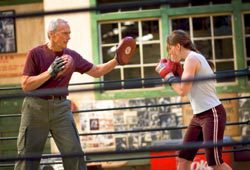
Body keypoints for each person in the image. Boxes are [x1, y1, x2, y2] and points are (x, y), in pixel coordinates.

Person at [15, 18, 120, 170]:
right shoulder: (35, 54)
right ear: (52, 34)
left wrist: (117, 60)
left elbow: (97, 71)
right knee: (27, 155)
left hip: (61, 108)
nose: (69, 37)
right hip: (35, 108)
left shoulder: (72, 56)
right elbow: (26, 85)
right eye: (65, 33)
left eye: (69, 33)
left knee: (74, 153)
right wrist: (50, 72)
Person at [155, 30, 232, 170]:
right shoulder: (189, 61)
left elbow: (182, 91)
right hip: (199, 116)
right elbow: (187, 87)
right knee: (183, 158)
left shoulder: (192, 59)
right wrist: (175, 71)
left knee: (215, 162)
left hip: (212, 113)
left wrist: (167, 76)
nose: (169, 54)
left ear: (178, 46)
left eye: (170, 49)